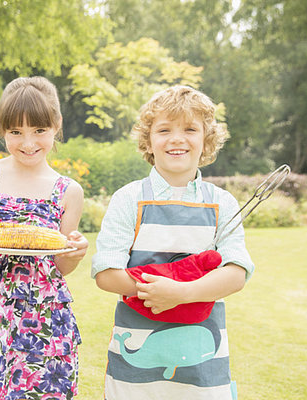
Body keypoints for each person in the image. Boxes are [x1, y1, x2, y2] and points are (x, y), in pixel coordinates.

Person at [92, 85, 254, 399]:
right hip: (134, 366)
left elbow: (236, 272)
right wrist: (157, 291)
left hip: (203, 365)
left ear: (206, 139)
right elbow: (106, 273)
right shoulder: (129, 199)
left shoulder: (222, 203)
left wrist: (182, 293)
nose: (177, 138)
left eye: (190, 129)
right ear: (148, 140)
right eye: (164, 129)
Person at [0, 76, 89, 399]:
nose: (28, 143)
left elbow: (60, 267)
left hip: (40, 312)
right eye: (16, 132)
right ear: (2, 129)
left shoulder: (68, 191)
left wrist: (74, 253)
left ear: (57, 125)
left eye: (39, 131)